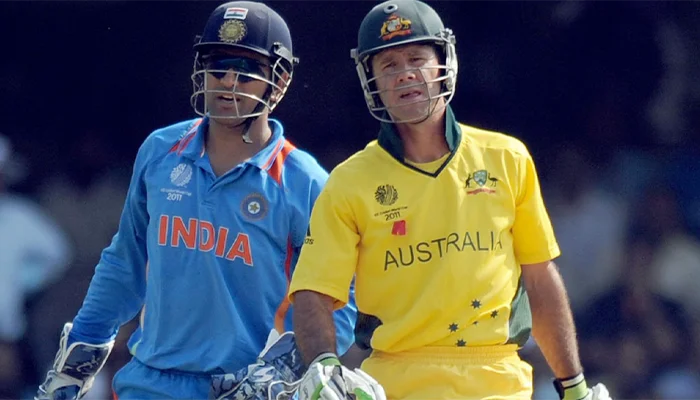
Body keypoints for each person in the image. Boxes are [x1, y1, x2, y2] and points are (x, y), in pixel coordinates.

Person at [288, 1, 611, 399]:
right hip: (396, 382)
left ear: (445, 61)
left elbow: (540, 279)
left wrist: (574, 385)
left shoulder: (506, 158)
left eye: (416, 58)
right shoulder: (349, 181)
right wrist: (324, 365)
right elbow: (312, 292)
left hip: (498, 379)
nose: (404, 73)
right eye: (388, 65)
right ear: (369, 79)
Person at [35, 2, 356, 399]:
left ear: (280, 79)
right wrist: (76, 360)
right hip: (149, 383)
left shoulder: (304, 181)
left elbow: (339, 303)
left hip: (243, 390)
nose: (227, 82)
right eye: (217, 65)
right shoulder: (160, 151)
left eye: (246, 69)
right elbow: (126, 263)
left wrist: (281, 371)